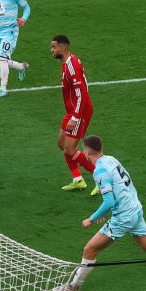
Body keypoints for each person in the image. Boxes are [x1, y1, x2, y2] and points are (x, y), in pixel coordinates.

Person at [54, 136, 146, 291]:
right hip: (135, 209)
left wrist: (91, 219)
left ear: (87, 151)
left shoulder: (99, 171)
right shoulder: (111, 160)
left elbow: (109, 202)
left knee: (89, 250)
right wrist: (107, 210)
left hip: (124, 217)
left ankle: (73, 286)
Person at [50, 35, 97, 192]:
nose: (52, 50)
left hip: (80, 110)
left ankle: (101, 177)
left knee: (69, 149)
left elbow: (82, 94)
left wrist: (76, 117)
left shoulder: (72, 66)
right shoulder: (66, 63)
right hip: (72, 110)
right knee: (61, 143)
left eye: (54, 47)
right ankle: (78, 179)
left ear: (63, 48)